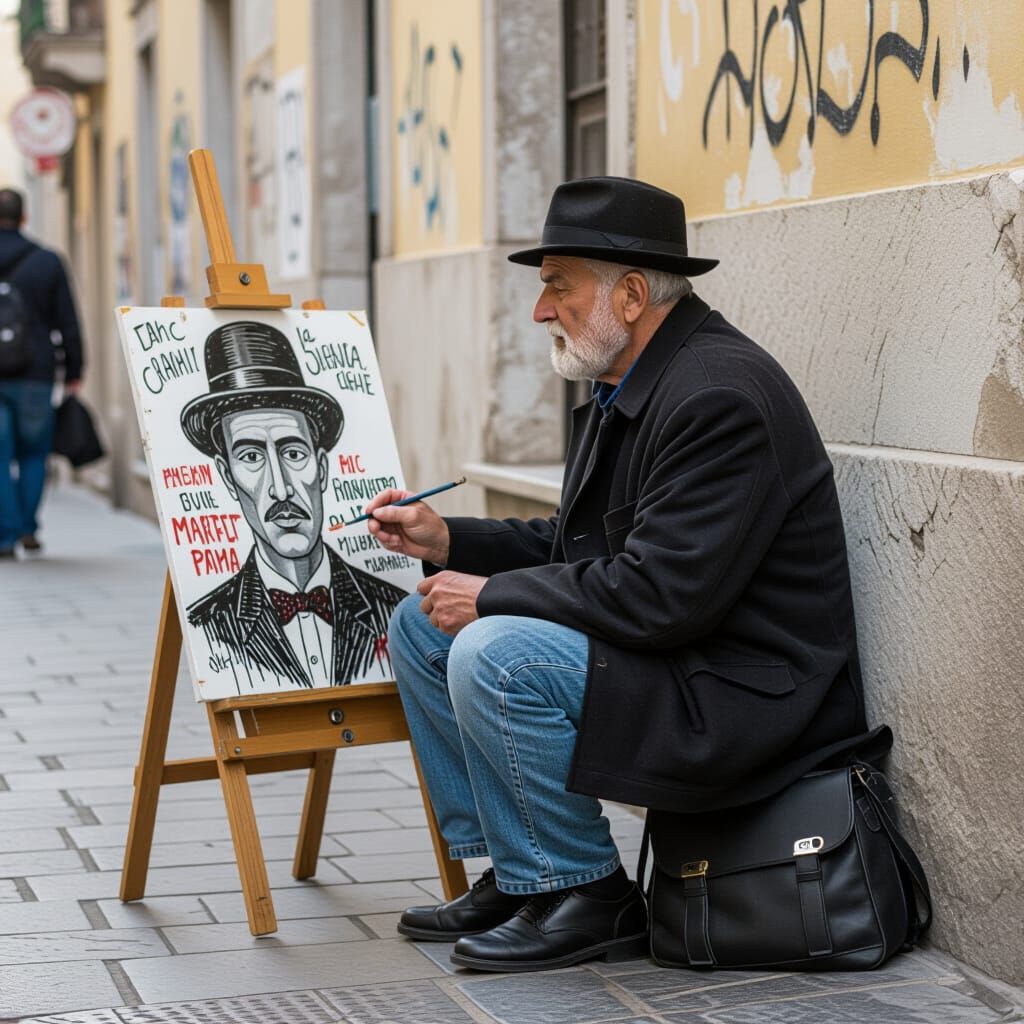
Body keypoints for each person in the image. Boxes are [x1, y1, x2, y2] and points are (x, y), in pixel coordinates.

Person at [365, 176, 883, 973]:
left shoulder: (717, 397)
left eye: (557, 287)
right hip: (679, 659)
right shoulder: (632, 385)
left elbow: (659, 596)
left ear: (632, 295)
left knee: (496, 652)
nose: (541, 311)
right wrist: (447, 541)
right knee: (420, 625)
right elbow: (580, 549)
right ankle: (520, 871)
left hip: (744, 695)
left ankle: (587, 891)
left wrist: (492, 596)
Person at [181, 320, 406, 692]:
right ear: (227, 476)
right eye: (251, 456)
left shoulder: (394, 608)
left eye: (293, 453)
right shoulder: (208, 623)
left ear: (322, 468)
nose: (281, 489)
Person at [0, 188, 84, 558]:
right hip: (35, 373)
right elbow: (68, 320)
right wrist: (75, 369)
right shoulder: (47, 261)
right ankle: (26, 529)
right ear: (24, 217)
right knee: (34, 453)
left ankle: (5, 536)